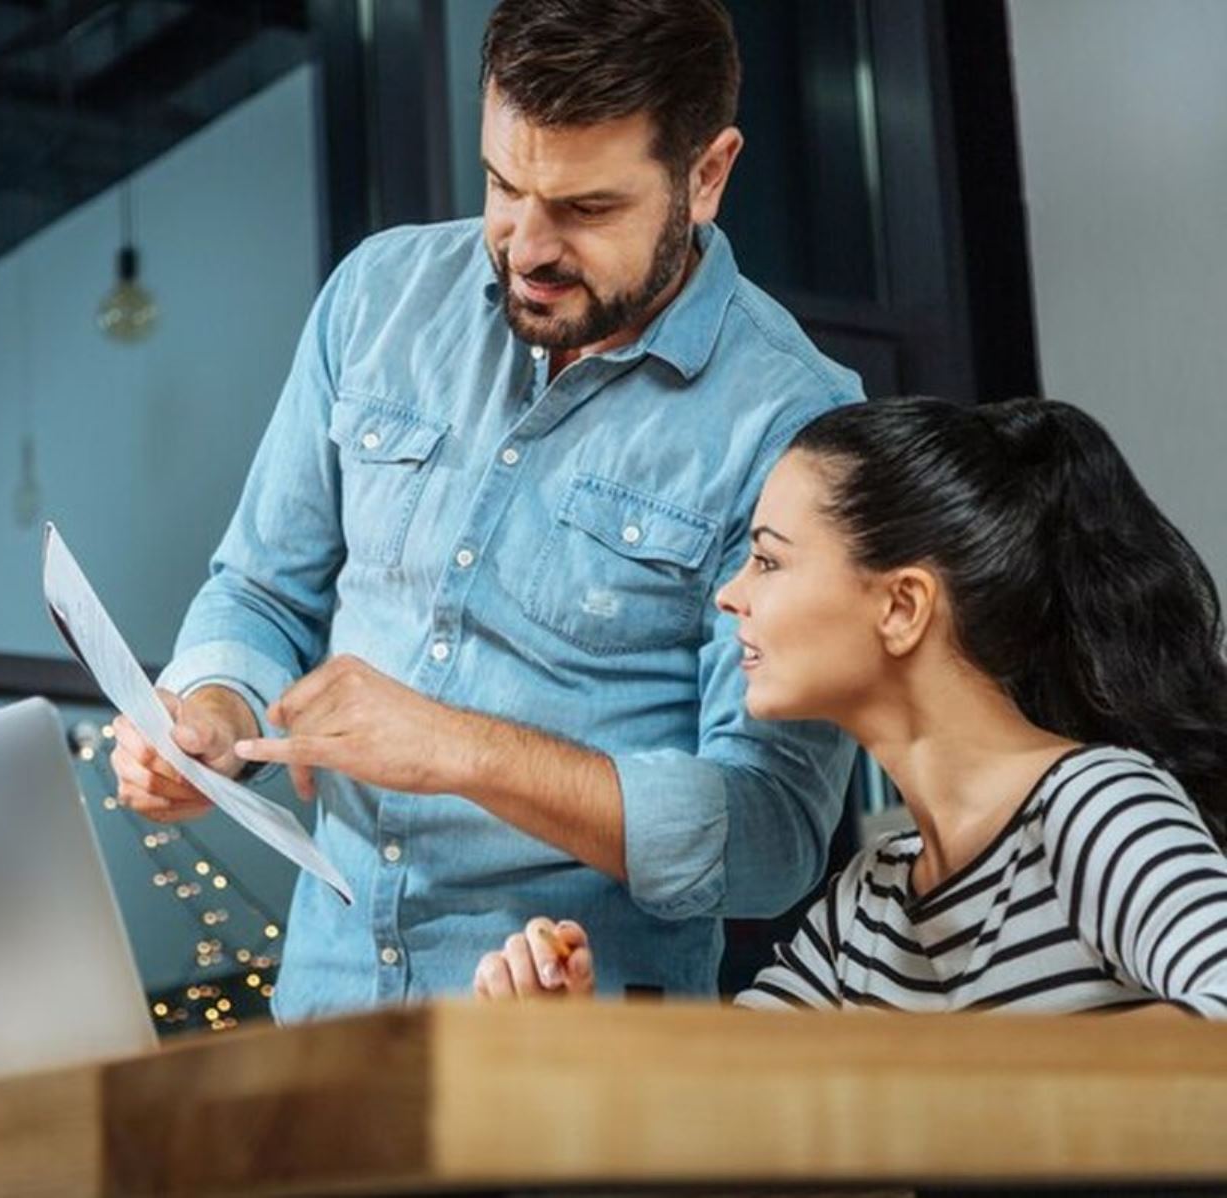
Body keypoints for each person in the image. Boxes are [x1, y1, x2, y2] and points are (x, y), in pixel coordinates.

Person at [112, 0, 865, 1020]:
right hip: (324, 1009)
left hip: (582, 1061)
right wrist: (212, 712)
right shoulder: (376, 297)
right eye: (505, 185)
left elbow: (774, 832)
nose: (526, 246)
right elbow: (259, 591)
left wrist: (463, 749)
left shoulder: (797, 424)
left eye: (588, 208)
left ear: (708, 174)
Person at [476, 397, 1227, 1017]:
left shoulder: (1096, 806)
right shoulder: (873, 900)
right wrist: (564, 1036)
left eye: (768, 560)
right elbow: (718, 1117)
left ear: (901, 606)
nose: (730, 595)